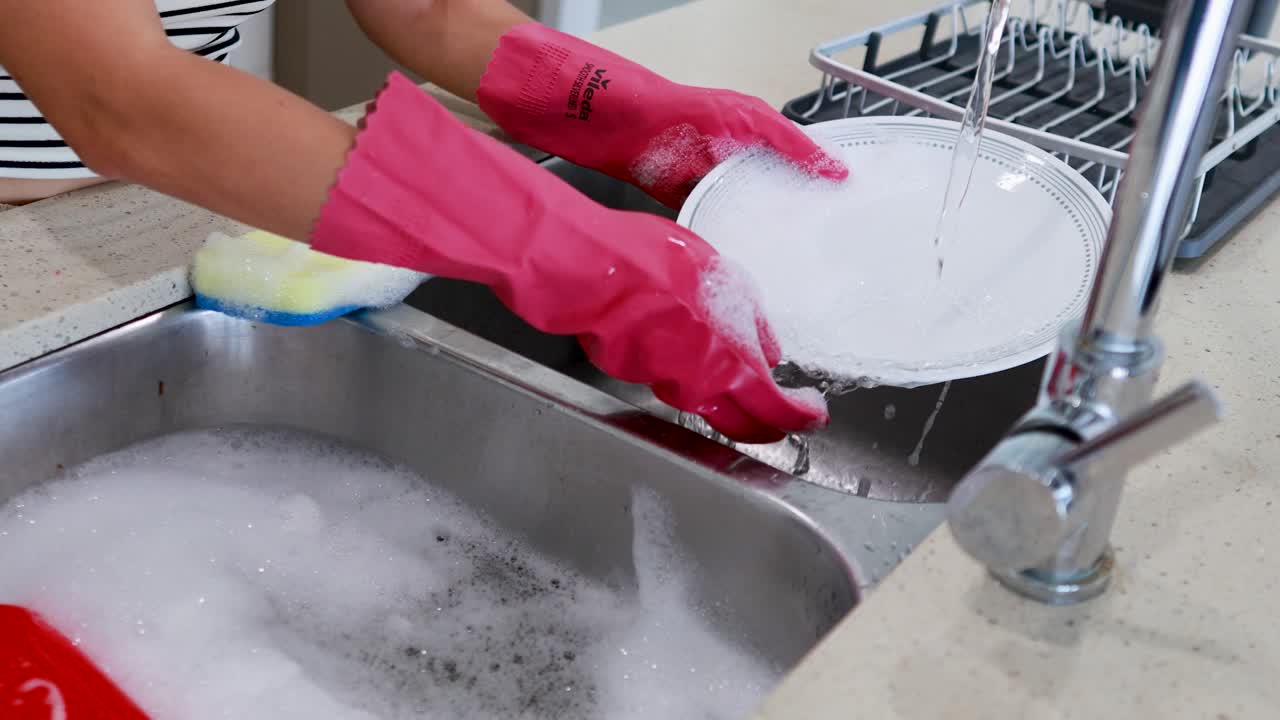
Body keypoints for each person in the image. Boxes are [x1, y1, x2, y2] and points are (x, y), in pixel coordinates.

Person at [0, 0, 847, 442]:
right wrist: (560, 248)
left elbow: (428, 9)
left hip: (162, 195)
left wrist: (630, 114)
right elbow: (114, 97)